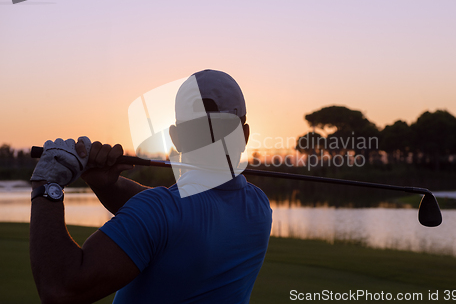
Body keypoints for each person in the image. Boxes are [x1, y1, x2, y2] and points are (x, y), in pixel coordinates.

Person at [30, 70, 273, 304]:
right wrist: (107, 186)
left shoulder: (161, 212)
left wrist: (47, 182)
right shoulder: (259, 207)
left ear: (176, 138)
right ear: (244, 135)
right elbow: (170, 216)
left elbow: (60, 289)